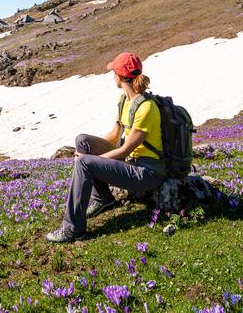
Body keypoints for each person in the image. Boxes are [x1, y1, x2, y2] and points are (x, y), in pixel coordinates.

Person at [46, 52, 166, 243]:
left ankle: (72, 229)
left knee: (85, 164)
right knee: (83, 141)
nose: (112, 77)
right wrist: (87, 152)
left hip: (147, 172)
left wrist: (89, 160)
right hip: (131, 162)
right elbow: (114, 135)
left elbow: (125, 149)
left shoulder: (146, 108)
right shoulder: (124, 101)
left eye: (113, 72)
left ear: (119, 76)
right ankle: (103, 199)